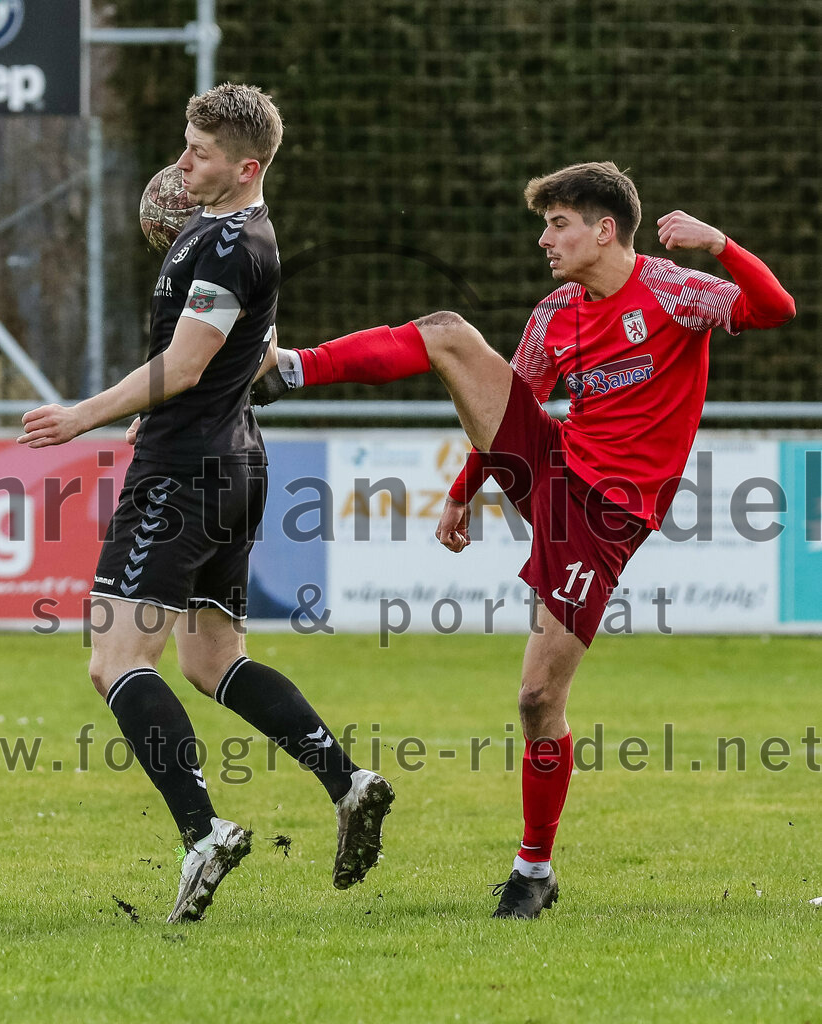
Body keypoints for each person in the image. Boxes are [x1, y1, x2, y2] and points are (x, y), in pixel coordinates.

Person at [251, 161, 795, 919]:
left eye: (558, 223)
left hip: (604, 520)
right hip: (550, 471)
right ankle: (290, 368)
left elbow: (777, 309)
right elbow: (512, 403)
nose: (545, 239)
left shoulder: (676, 291)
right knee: (449, 334)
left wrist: (721, 243)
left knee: (539, 698)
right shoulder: (553, 316)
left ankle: (533, 868)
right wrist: (462, 493)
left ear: (605, 230)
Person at [18, 83, 394, 924]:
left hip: (185, 472)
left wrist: (86, 413)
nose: (182, 161)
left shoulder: (227, 245)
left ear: (246, 165)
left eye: (200, 152)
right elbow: (245, 359)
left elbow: (187, 365)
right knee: (209, 661)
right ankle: (348, 780)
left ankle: (203, 831)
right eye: (186, 145)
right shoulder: (244, 235)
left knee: (116, 662)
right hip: (234, 463)